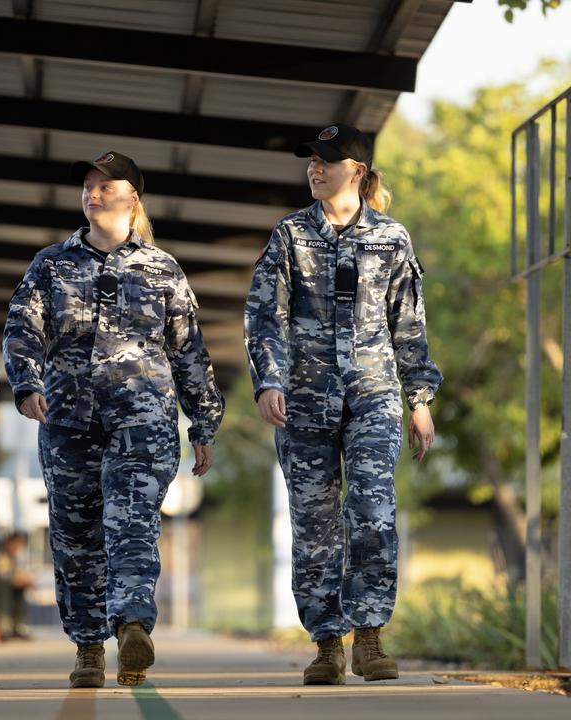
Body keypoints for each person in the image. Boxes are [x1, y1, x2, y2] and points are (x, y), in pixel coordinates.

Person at [4, 151, 224, 688]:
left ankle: (131, 628)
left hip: (142, 423)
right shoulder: (50, 265)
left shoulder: (162, 269)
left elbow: (189, 352)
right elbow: (22, 329)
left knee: (132, 526)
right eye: (87, 185)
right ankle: (86, 648)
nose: (93, 193)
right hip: (68, 423)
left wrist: (203, 424)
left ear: (133, 198)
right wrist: (26, 382)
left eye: (106, 185)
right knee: (75, 537)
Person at [244, 124, 442, 686]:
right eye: (311, 160)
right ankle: (328, 644)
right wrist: (269, 380)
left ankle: (371, 637)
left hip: (374, 397)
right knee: (314, 523)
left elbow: (410, 324)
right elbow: (264, 316)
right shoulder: (289, 236)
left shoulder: (391, 239)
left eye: (326, 161)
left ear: (356, 170)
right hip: (303, 401)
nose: (314, 169)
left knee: (373, 512)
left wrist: (419, 400)